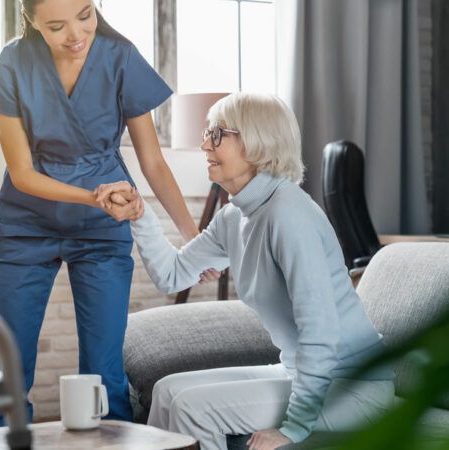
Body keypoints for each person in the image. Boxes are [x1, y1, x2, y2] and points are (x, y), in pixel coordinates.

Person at [95, 93, 395, 450]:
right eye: (207, 132)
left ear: (257, 142)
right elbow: (172, 275)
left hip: (354, 387)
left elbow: (321, 330)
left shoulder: (288, 214)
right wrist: (140, 215)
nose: (204, 143)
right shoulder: (235, 216)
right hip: (297, 370)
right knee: (167, 391)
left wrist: (294, 428)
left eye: (218, 134)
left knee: (193, 408)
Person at [0, 0, 205, 429]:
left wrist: (191, 237)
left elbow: (152, 162)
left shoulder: (120, 57)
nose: (77, 34)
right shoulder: (12, 62)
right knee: (7, 365)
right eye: (57, 25)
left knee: (105, 372)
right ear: (30, 21)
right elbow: (23, 174)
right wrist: (94, 196)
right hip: (26, 225)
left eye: (85, 14)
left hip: (103, 228)